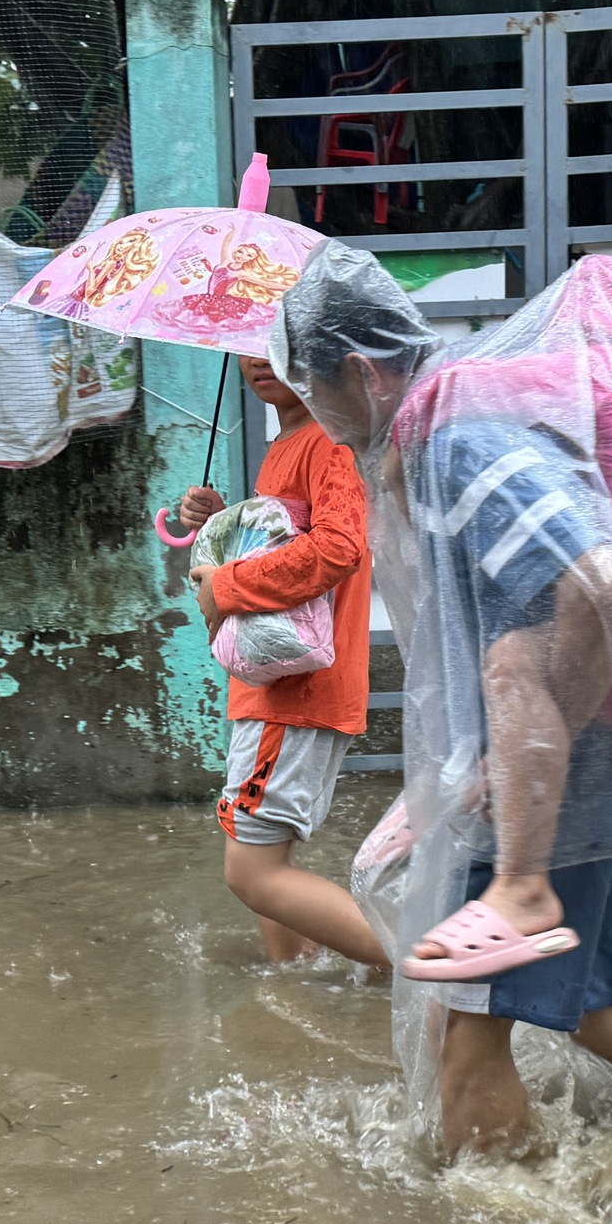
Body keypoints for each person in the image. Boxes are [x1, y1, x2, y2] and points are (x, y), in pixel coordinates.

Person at [269, 246, 612, 1158]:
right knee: (597, 1003)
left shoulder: (458, 439)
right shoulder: (456, 424)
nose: (314, 415)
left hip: (560, 784)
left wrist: (527, 756)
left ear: (360, 371)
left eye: (312, 391)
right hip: (603, 766)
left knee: (461, 1027)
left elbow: (595, 585)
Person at [177, 354, 389, 970]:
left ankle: (440, 983)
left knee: (253, 871)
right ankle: (293, 983)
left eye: (277, 343)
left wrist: (226, 583)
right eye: (248, 341)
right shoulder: (287, 444)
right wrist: (222, 521)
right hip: (271, 686)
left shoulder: (329, 441)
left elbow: (338, 547)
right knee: (257, 852)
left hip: (295, 692)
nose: (256, 358)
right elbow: (286, 539)